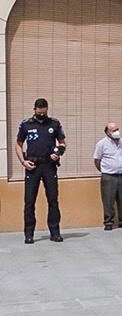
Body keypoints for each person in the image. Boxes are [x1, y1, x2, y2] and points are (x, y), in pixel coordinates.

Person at [16, 98, 65, 244]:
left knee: (53, 200)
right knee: (29, 201)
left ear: (47, 109)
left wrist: (58, 153)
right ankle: (29, 234)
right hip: (33, 166)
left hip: (49, 166)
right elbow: (18, 145)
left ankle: (55, 232)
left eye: (44, 111)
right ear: (35, 109)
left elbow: (62, 143)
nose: (42, 113)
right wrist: (23, 162)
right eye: (39, 111)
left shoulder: (54, 123)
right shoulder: (26, 124)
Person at [93, 122, 122, 230]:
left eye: (117, 129)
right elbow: (97, 160)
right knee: (108, 200)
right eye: (113, 130)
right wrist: (104, 171)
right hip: (109, 176)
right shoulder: (101, 144)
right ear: (107, 132)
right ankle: (108, 222)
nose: (116, 132)